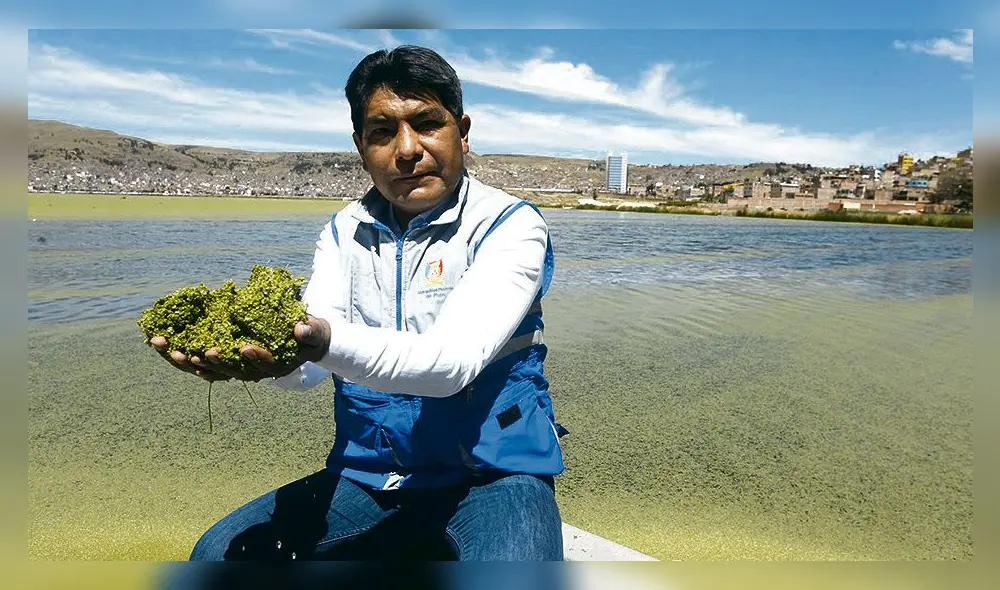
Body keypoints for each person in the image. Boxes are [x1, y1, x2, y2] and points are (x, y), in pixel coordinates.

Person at [148, 45, 568, 561]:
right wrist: (269, 360)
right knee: (217, 554)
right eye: (382, 131)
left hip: (493, 474)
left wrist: (317, 340)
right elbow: (308, 372)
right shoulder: (343, 232)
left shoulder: (509, 226)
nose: (407, 149)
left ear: (462, 131)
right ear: (360, 145)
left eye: (426, 123)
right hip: (370, 477)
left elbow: (451, 365)